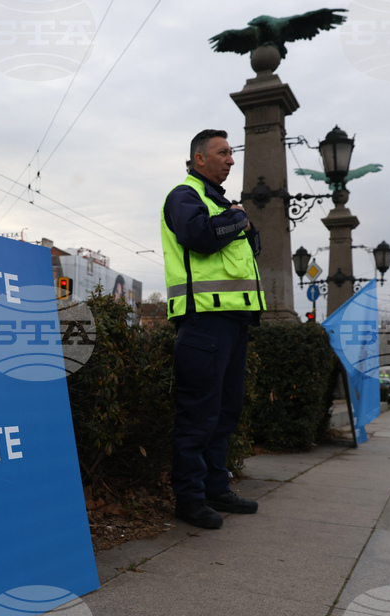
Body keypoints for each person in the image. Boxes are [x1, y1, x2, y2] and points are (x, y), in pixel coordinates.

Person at [161, 129, 264, 529]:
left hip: (234, 320)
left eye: (231, 153)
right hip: (204, 319)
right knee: (198, 415)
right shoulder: (184, 196)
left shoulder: (221, 203)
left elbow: (250, 250)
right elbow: (200, 238)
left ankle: (215, 488)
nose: (231, 160)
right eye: (223, 152)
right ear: (199, 158)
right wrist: (238, 219)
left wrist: (242, 224)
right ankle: (189, 498)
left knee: (224, 412)